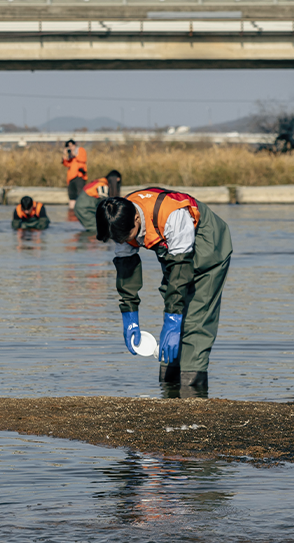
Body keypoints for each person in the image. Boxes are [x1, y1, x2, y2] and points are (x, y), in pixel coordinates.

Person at [96, 187, 232, 396]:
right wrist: (130, 315)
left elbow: (180, 272)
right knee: (172, 300)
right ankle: (169, 383)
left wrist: (173, 320)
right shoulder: (119, 217)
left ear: (137, 220)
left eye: (127, 237)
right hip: (175, 251)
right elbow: (126, 270)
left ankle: (192, 389)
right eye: (118, 240)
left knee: (196, 313)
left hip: (208, 244)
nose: (124, 243)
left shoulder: (172, 216)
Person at [62, 139, 88, 209]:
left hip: (79, 176)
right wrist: (65, 154)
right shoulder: (69, 156)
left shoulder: (80, 150)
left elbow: (83, 159)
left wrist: (74, 154)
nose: (70, 148)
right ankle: (71, 211)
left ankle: (81, 209)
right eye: (68, 146)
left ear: (75, 145)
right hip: (70, 178)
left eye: (71, 146)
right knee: (72, 196)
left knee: (80, 194)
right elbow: (66, 164)